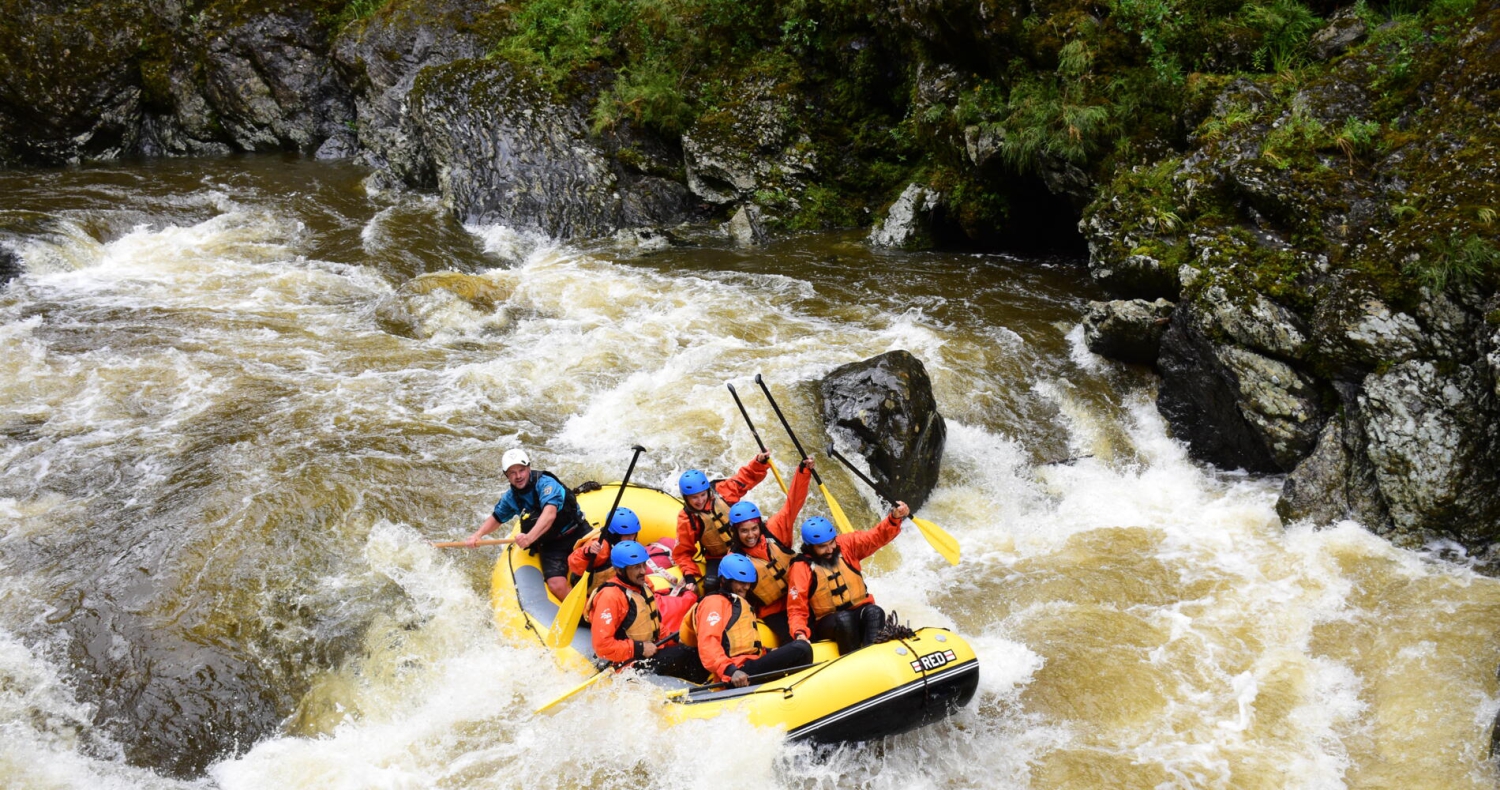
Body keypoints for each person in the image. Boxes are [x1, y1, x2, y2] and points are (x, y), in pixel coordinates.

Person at [466, 448, 590, 601]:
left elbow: (549, 514)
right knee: (556, 585)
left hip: (576, 531)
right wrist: (477, 535)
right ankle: (585, 614)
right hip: (551, 544)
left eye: (521, 470)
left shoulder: (545, 484)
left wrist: (529, 538)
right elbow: (496, 518)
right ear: (507, 476)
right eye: (512, 473)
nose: (518, 476)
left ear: (529, 468)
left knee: (603, 558)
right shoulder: (511, 497)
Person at [786, 502, 909, 655]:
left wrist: (894, 518)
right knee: (844, 619)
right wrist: (799, 633)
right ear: (810, 547)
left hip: (858, 611)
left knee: (875, 612)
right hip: (828, 622)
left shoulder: (845, 545)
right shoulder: (801, 567)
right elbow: (796, 609)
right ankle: (854, 662)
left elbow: (876, 537)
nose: (830, 549)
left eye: (831, 543)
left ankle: (875, 658)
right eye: (823, 546)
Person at [684, 554, 814, 687]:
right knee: (802, 649)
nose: (746, 587)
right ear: (724, 579)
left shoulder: (738, 603)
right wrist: (730, 671)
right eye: (741, 582)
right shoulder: (714, 602)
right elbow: (708, 643)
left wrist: (767, 652)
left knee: (796, 646)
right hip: (736, 673)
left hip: (748, 666)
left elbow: (745, 646)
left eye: (748, 583)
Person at [588, 541, 707, 682]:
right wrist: (639, 648)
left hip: (647, 652)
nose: (643, 571)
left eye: (644, 565)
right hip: (626, 664)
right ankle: (705, 692)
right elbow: (602, 646)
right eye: (636, 567)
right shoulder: (610, 596)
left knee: (693, 646)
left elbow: (651, 624)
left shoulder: (641, 587)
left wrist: (675, 638)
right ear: (620, 570)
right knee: (691, 654)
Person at [725, 457, 814, 643]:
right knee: (794, 641)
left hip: (802, 595)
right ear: (735, 532)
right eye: (744, 531)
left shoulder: (775, 530)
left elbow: (793, 503)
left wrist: (803, 472)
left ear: (760, 526)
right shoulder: (734, 559)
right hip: (773, 610)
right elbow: (732, 595)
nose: (751, 535)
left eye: (754, 529)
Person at [672, 452, 772, 592]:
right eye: (694, 497)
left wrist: (759, 462)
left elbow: (745, 478)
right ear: (686, 498)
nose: (700, 501)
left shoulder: (722, 492)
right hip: (718, 556)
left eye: (702, 495)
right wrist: (689, 576)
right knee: (711, 584)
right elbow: (682, 553)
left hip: (745, 544)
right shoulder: (687, 519)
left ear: (708, 491)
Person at [567, 507, 642, 596]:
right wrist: (587, 553)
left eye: (633, 534)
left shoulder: (626, 543)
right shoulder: (602, 547)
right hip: (594, 595)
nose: (631, 539)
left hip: (617, 591)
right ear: (615, 534)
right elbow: (574, 562)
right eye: (627, 535)